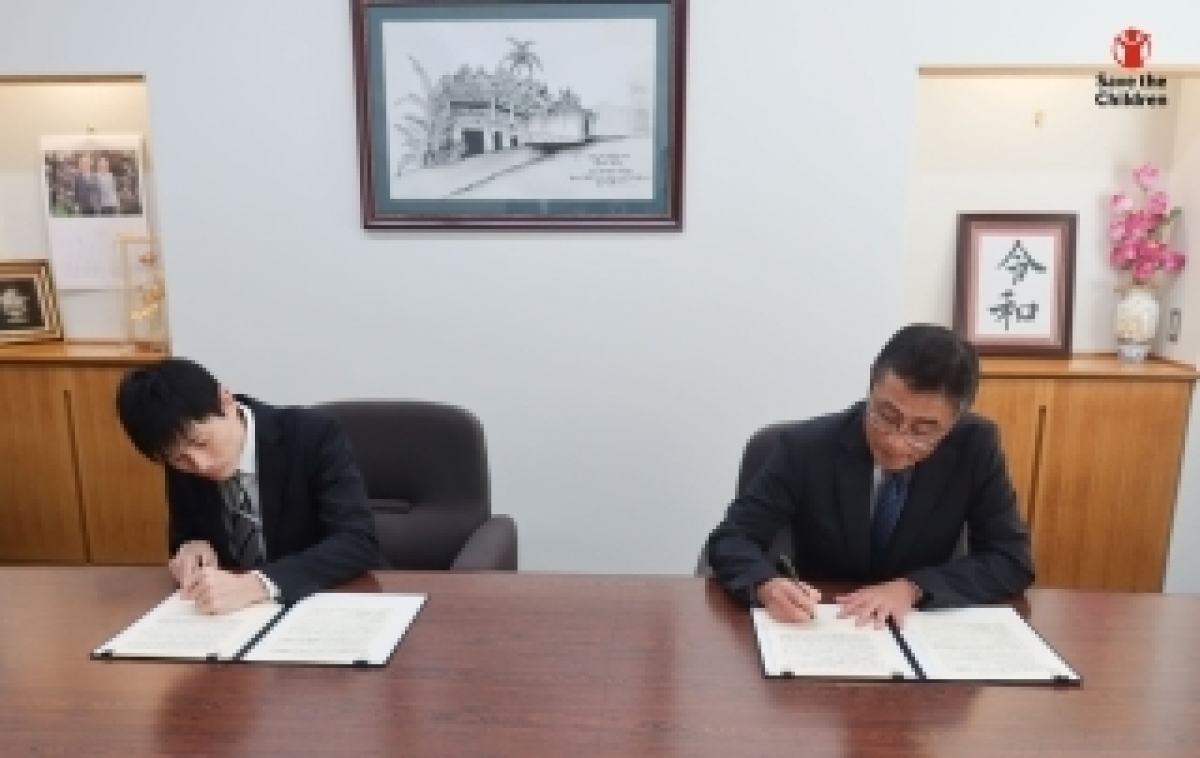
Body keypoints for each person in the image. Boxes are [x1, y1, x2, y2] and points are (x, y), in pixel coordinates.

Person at [704, 323, 1034, 629]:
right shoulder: (807, 447)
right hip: (825, 622)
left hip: (917, 627)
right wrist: (765, 584)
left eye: (922, 430)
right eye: (886, 416)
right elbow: (732, 538)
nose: (896, 442)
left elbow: (1010, 560)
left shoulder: (975, 447)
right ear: (871, 388)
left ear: (954, 422)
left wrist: (914, 588)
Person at [116, 357, 381, 614]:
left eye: (201, 442)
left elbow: (358, 541)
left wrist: (258, 584)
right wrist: (190, 548)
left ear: (226, 400)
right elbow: (185, 532)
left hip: (325, 600)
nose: (200, 465)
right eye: (178, 458)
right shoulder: (183, 461)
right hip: (235, 616)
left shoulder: (312, 434)